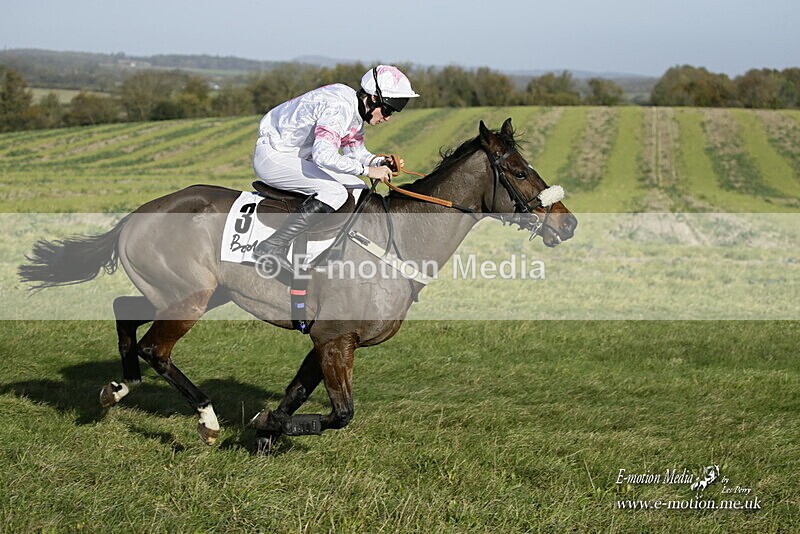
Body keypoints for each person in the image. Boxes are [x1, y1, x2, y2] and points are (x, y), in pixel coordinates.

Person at [252, 65, 420, 272]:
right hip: (274, 156)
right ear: (373, 98)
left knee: (358, 187)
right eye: (387, 110)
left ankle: (333, 248)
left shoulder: (355, 109)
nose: (387, 117)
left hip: (297, 156)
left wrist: (378, 162)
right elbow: (324, 156)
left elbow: (356, 154)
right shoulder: (338, 108)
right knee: (334, 193)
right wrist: (368, 171)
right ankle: (272, 246)